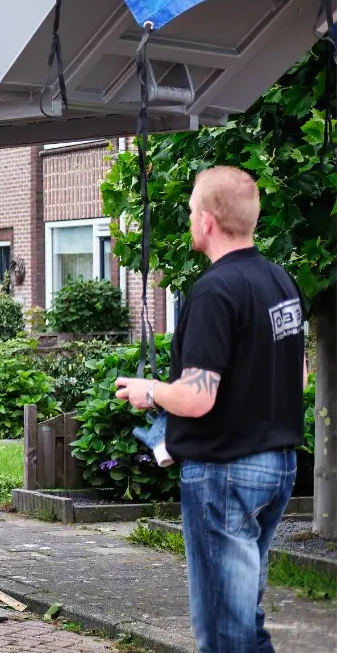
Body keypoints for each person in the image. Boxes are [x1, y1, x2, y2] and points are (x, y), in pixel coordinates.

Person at [115, 166, 305, 653]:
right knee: (245, 621)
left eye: (191, 211)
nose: (189, 219)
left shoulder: (215, 292)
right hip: (277, 466)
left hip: (225, 472)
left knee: (225, 632)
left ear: (207, 221)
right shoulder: (281, 281)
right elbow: (299, 377)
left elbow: (198, 397)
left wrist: (149, 391)